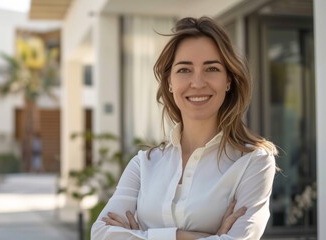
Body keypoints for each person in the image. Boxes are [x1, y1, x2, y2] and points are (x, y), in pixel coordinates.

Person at [91, 16, 277, 240]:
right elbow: (101, 233)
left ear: (228, 79)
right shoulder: (144, 164)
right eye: (184, 70)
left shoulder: (253, 161)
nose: (197, 82)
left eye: (212, 69)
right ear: (169, 82)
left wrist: (142, 234)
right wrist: (192, 236)